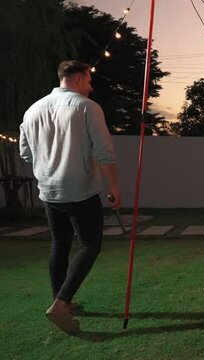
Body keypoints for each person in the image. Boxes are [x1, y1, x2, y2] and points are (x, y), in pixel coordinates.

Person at [19, 60, 121, 334]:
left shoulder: (32, 110)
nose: (90, 86)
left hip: (49, 189)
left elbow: (25, 153)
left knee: (60, 244)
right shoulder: (87, 107)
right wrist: (114, 187)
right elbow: (104, 150)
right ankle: (62, 304)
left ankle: (60, 300)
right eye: (88, 80)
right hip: (79, 189)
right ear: (77, 79)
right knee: (90, 244)